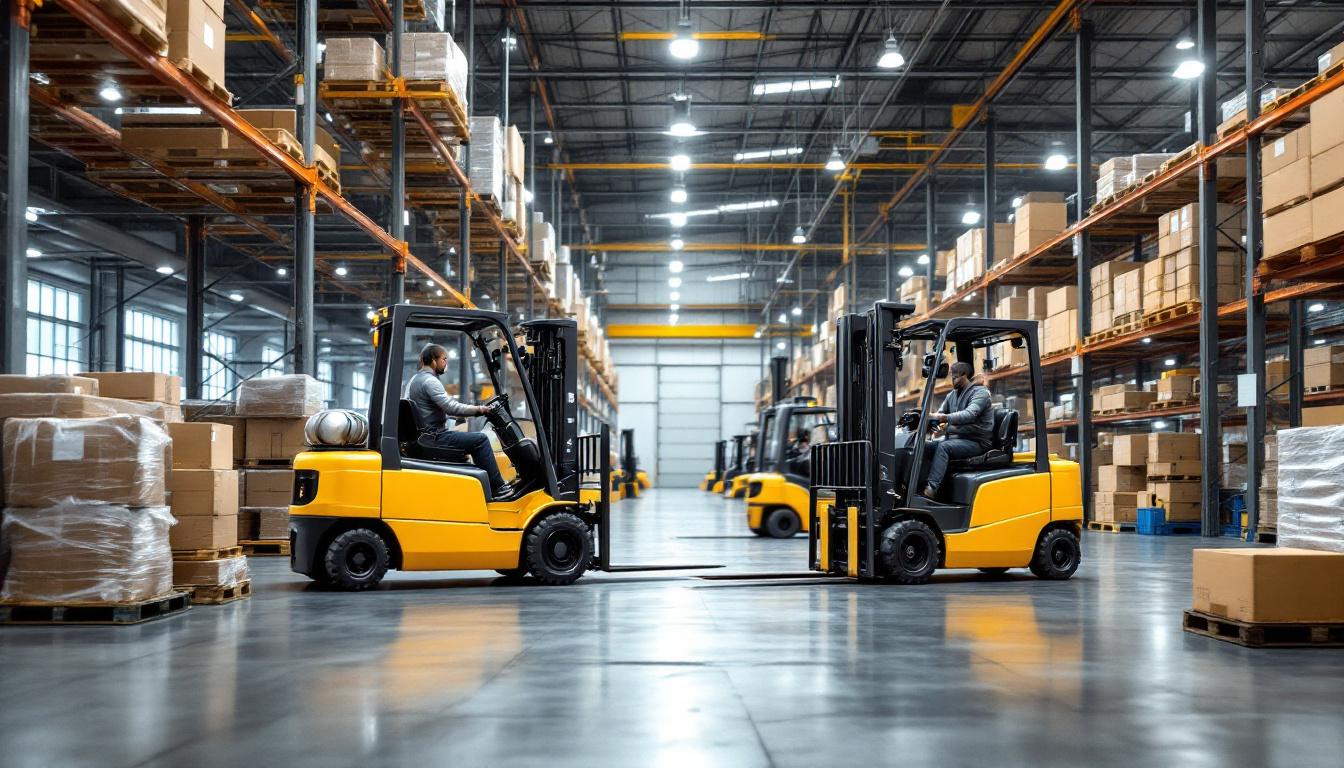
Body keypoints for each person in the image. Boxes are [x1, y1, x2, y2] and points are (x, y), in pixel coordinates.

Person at [407, 343, 515, 499]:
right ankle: (498, 489)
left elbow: (429, 409)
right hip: (434, 437)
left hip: (425, 435)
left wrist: (454, 417)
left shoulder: (415, 379)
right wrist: (480, 409)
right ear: (433, 360)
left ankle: (488, 487)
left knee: (472, 438)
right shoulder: (430, 381)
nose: (446, 364)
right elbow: (451, 407)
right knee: (480, 440)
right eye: (444, 359)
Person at [922, 361, 994, 499]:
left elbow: (970, 414)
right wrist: (930, 420)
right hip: (958, 439)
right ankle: (916, 485)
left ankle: (931, 489)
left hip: (977, 441)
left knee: (944, 447)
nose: (952, 380)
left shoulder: (981, 393)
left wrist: (943, 418)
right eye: (951, 377)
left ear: (965, 375)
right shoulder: (952, 395)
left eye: (955, 377)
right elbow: (940, 413)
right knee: (925, 446)